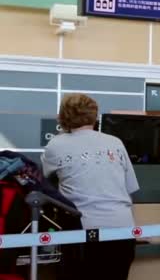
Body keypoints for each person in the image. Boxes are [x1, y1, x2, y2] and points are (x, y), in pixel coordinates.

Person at [41, 94, 139, 280]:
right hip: (122, 228)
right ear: (95, 115)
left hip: (83, 230)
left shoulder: (56, 144)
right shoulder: (115, 143)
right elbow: (128, 189)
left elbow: (45, 180)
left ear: (63, 116)